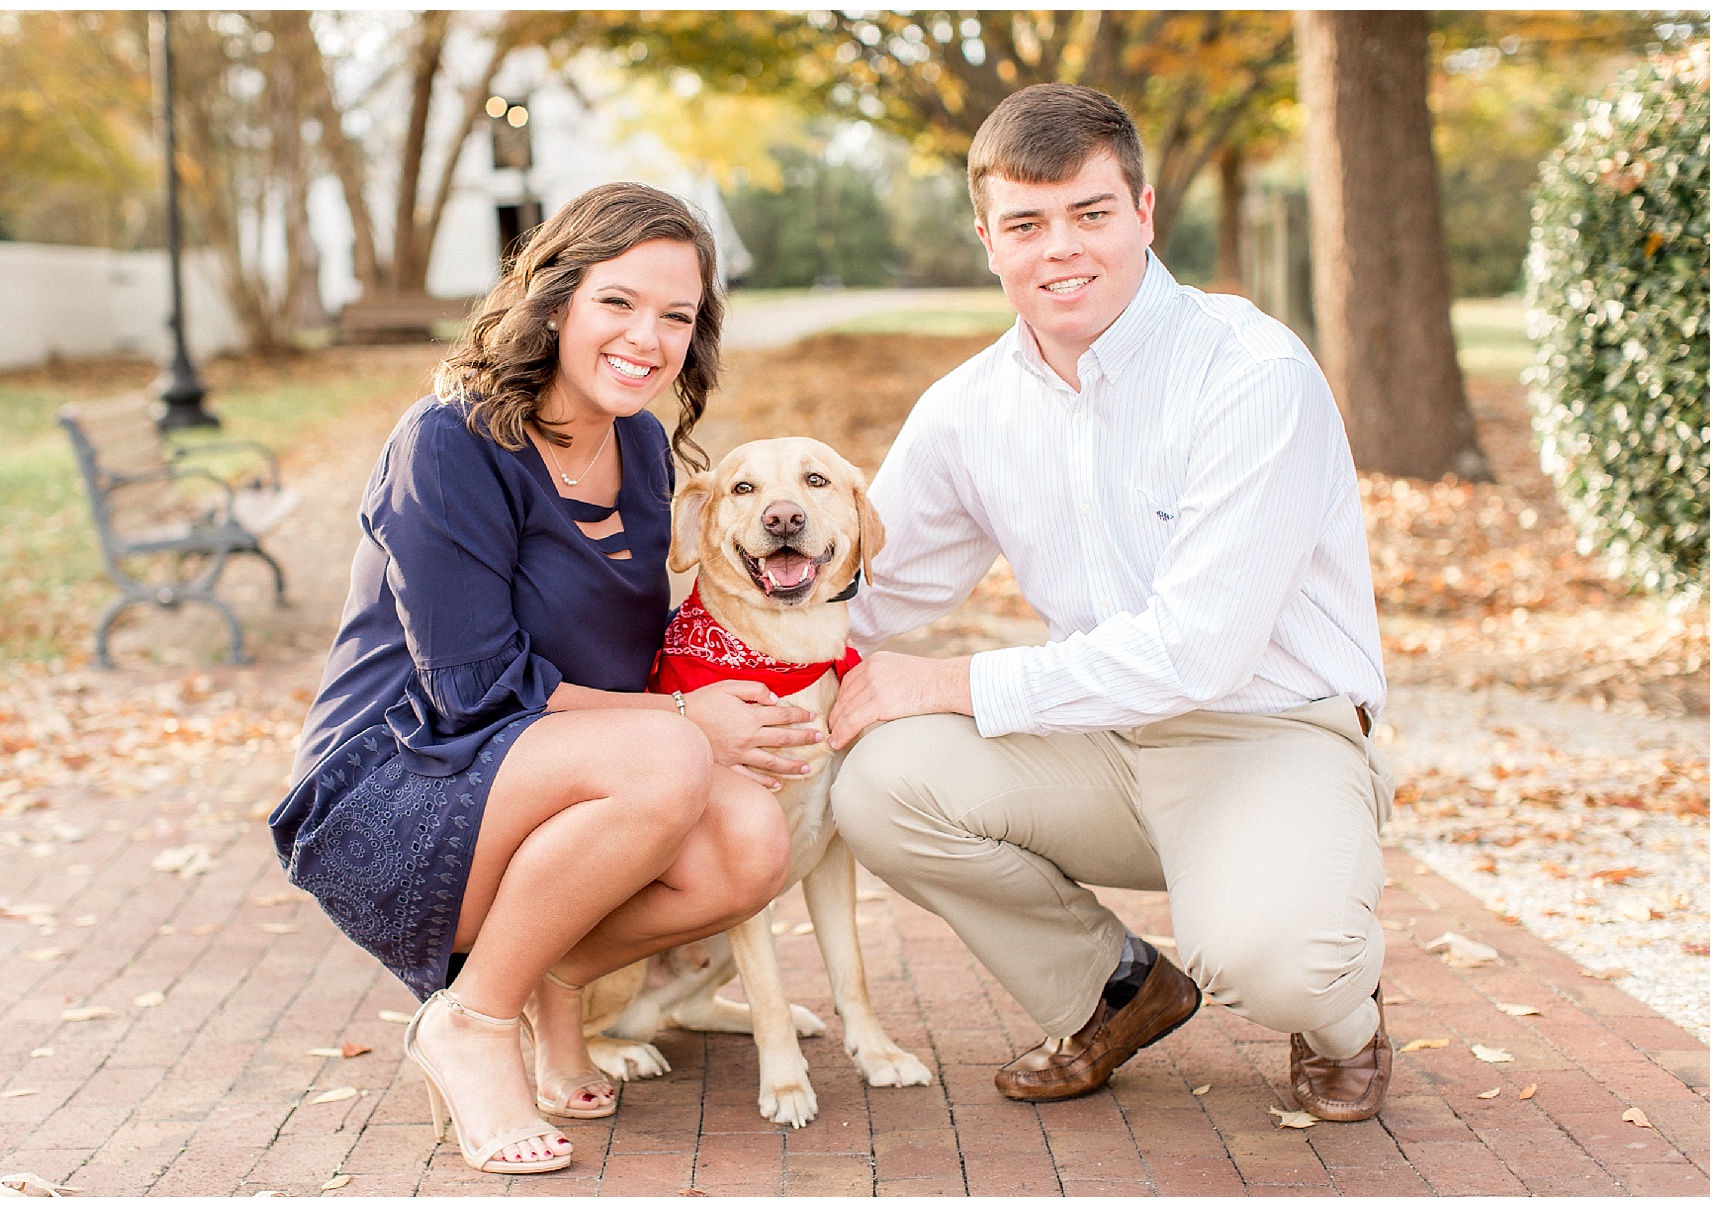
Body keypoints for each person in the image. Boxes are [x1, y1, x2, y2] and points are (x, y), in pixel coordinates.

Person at [827, 84, 1396, 1122]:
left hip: (1268, 733)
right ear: (987, 239)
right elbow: (871, 585)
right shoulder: (968, 409)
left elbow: (1201, 653)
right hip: (1096, 739)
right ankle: (1114, 990)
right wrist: (706, 667)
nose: (1061, 251)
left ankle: (1340, 1011)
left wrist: (948, 679)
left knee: (1271, 962)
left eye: (1090, 214)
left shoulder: (1250, 372)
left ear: (1142, 213)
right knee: (877, 782)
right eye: (1026, 224)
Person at [269, 183, 817, 1173]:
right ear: (556, 298)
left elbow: (622, 651)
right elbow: (474, 688)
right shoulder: (448, 443)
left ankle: (549, 985)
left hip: (539, 773)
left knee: (751, 840)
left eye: (676, 316)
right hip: (389, 790)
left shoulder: (643, 446)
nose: (648, 337)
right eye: (619, 301)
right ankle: (472, 1024)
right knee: (666, 755)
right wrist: (687, 717)